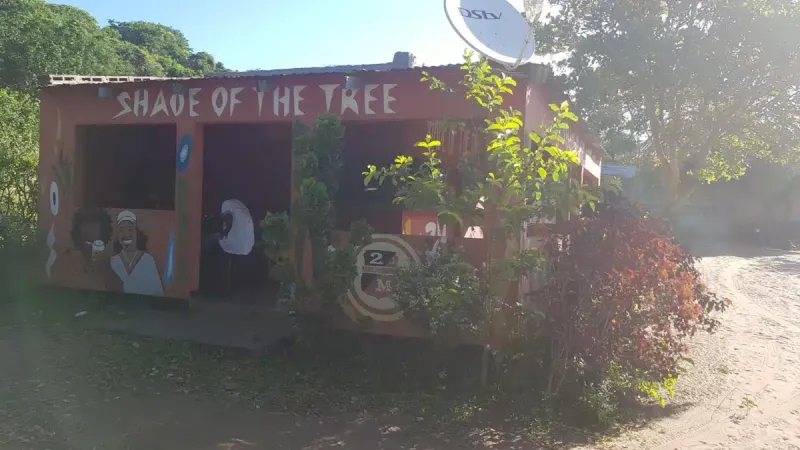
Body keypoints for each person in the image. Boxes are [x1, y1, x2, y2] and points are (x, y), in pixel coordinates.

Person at [109, 210, 164, 296]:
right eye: (122, 231)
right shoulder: (112, 262)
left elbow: (158, 294)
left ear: (136, 233)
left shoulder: (148, 260)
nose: (126, 234)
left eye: (130, 230)